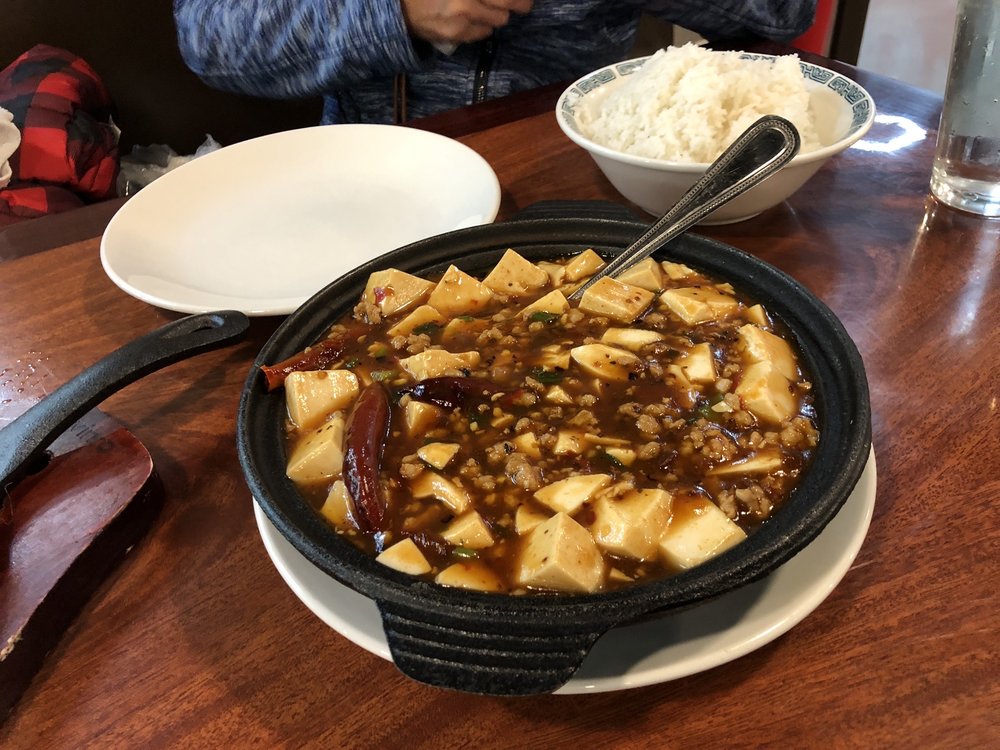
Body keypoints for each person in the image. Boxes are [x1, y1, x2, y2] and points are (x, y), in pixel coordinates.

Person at [173, 0, 817, 125]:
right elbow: (210, 39)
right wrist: (394, 13)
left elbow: (784, 14)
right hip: (368, 176)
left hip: (577, 174)